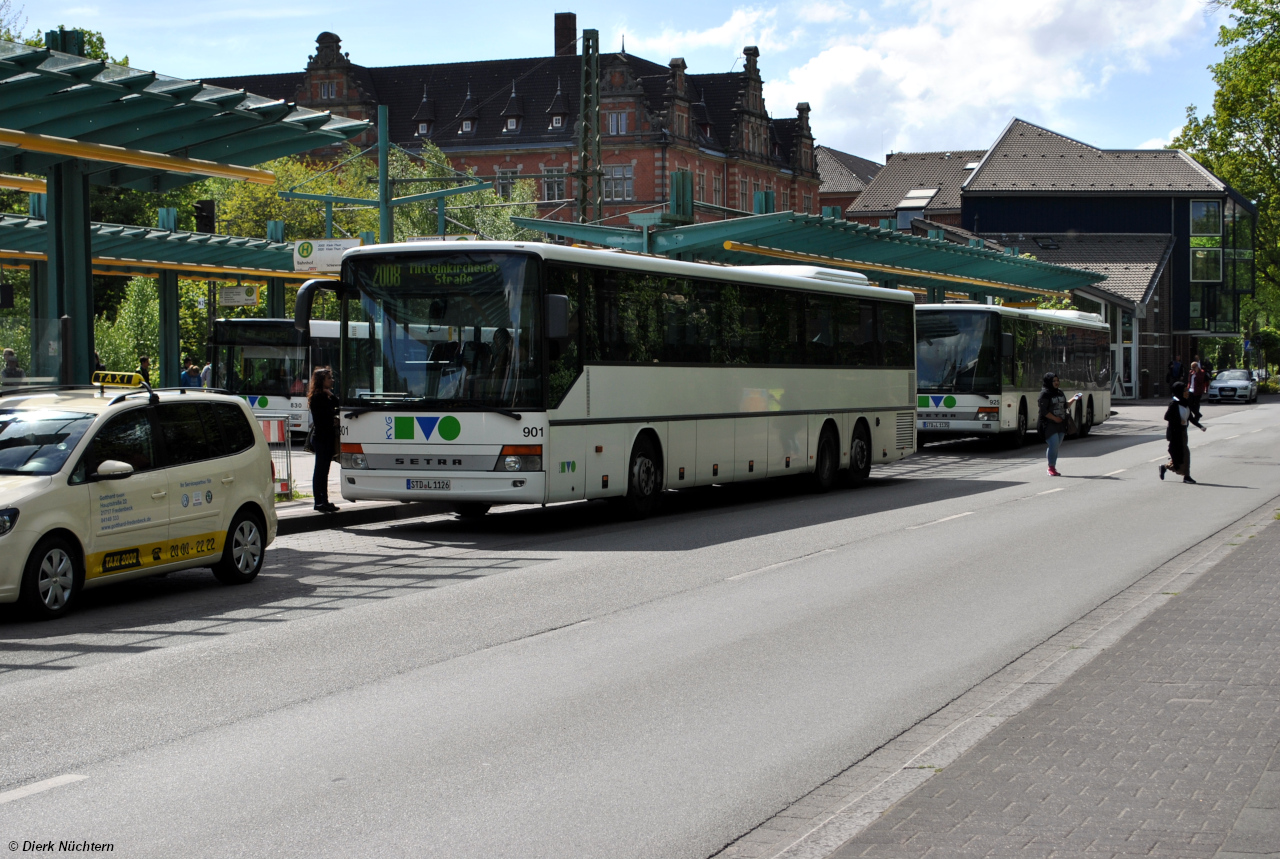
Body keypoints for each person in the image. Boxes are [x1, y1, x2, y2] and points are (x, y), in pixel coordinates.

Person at [307, 367, 340, 513]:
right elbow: (329, 414)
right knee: (320, 470)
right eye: (329, 378)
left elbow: (338, 406)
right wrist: (333, 417)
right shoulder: (317, 397)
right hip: (321, 438)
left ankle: (324, 500)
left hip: (326, 437)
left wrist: (331, 395)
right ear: (322, 381)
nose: (332, 380)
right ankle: (318, 501)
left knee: (324, 470)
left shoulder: (325, 396)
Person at [1160, 381, 1205, 484]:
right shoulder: (1174, 404)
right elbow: (1167, 417)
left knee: (1181, 456)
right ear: (1179, 391)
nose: (1187, 392)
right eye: (1185, 390)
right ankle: (1186, 476)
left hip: (1183, 432)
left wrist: (1200, 426)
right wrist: (1178, 421)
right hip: (1175, 433)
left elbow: (1190, 418)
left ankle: (1165, 467)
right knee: (1183, 454)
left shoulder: (1185, 403)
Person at [1037, 372, 1081, 477]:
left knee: (1056, 445)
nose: (1057, 383)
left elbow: (1065, 405)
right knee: (1054, 443)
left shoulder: (1060, 393)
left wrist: (1074, 399)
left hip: (1061, 423)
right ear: (1049, 382)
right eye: (1054, 381)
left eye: (1057, 381)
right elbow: (1043, 410)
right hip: (1048, 424)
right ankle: (1051, 468)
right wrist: (1054, 418)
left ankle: (1051, 465)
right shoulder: (1044, 394)